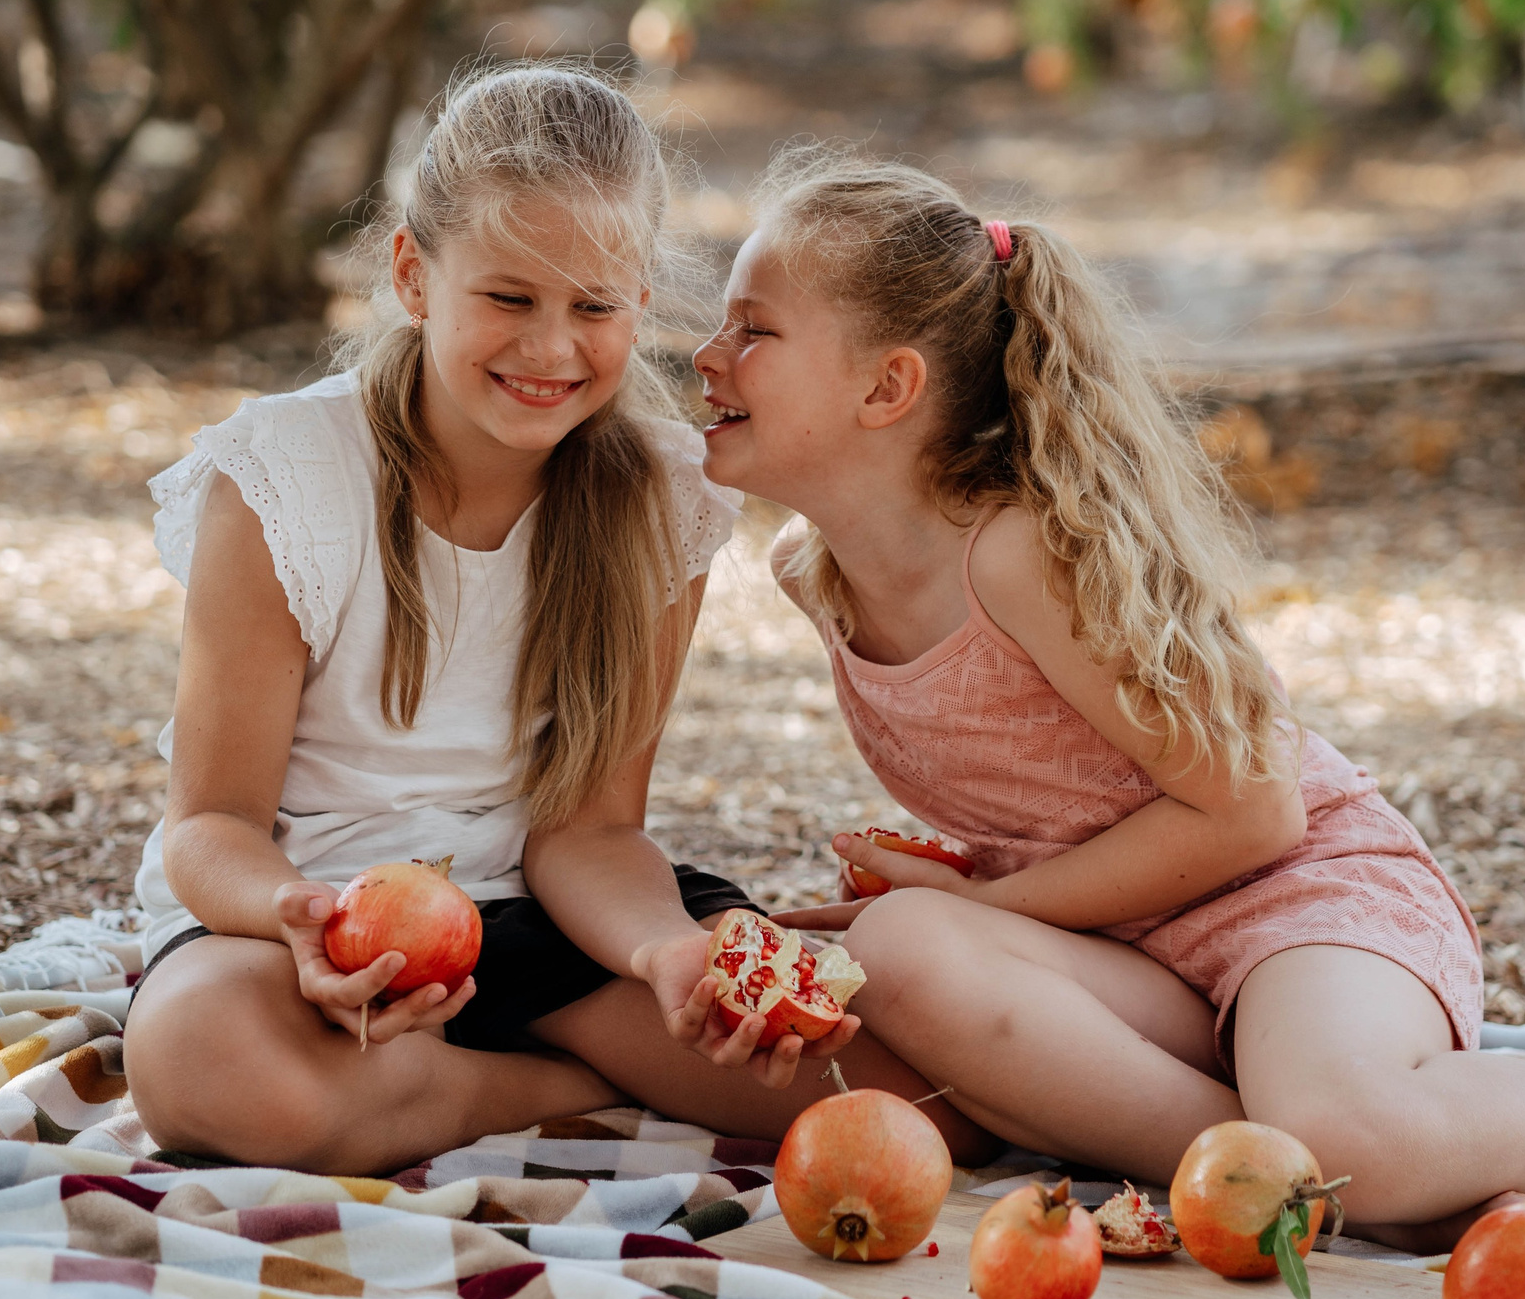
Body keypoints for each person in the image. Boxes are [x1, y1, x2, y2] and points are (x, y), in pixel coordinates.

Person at [688, 148, 1525, 1261]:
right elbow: (1038, 801)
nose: (708, 353)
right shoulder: (821, 574)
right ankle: (1316, 1169)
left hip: (1304, 902)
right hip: (1136, 950)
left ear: (887, 388)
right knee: (903, 950)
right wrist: (934, 897)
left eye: (753, 327)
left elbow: (1251, 814)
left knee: (1324, 1110)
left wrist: (985, 905)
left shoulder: (1015, 554)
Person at [123, 72, 981, 1176]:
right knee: (201, 1066)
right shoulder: (285, 481)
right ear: (412, 275)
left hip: (553, 919)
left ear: (639, 302)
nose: (551, 348)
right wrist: (294, 911)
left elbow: (588, 829)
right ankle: (537, 1088)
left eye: (594, 307)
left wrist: (666, 953)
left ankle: (457, 1084)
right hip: (313, 935)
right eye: (509, 298)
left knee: (926, 1109)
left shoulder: (660, 498)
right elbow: (207, 829)